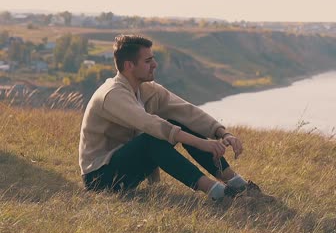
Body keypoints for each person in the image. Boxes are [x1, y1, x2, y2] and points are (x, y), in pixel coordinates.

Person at [79, 34, 264, 202]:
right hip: (100, 177)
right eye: (148, 60)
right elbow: (151, 125)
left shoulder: (147, 89)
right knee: (151, 139)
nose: (155, 64)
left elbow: (186, 111)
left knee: (179, 121)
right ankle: (219, 194)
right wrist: (202, 143)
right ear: (129, 65)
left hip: (126, 169)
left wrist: (222, 133)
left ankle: (236, 184)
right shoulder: (112, 95)